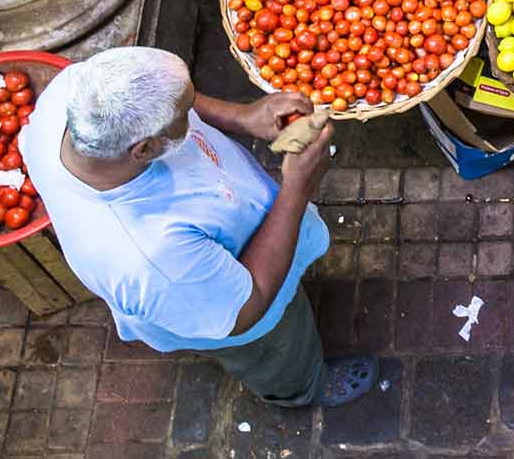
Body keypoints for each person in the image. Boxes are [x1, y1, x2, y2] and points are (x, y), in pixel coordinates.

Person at [20, 46, 374, 408]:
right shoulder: (148, 257)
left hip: (220, 246)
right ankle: (305, 389)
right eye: (184, 112)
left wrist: (241, 116)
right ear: (143, 149)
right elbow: (246, 309)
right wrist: (297, 190)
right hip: (228, 306)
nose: (191, 112)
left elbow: (171, 98)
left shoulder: (70, 96)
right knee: (279, 352)